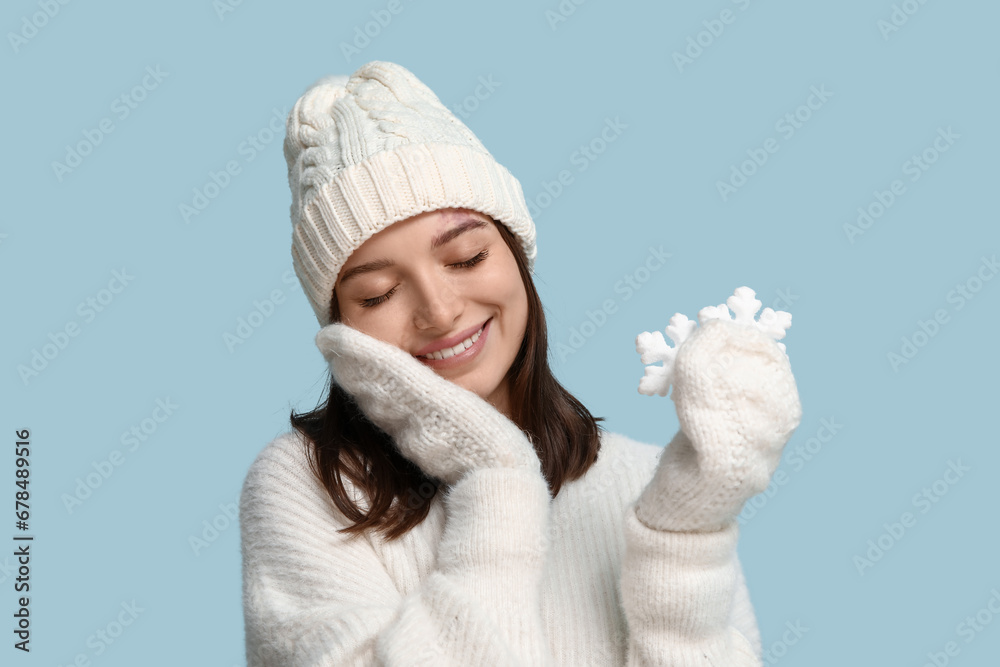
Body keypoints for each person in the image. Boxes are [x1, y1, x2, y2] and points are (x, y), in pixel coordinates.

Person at [239, 60, 803, 666]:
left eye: (466, 256)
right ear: (341, 328)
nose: (439, 310)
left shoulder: (645, 483)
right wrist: (496, 478)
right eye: (377, 294)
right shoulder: (309, 488)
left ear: (516, 256)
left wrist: (683, 539)